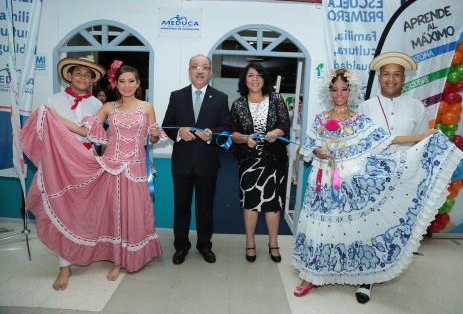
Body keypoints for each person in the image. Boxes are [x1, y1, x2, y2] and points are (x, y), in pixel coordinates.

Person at [291, 69, 463, 303]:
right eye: (335, 90)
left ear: (350, 92)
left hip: (350, 184)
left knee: (347, 229)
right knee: (318, 227)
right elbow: (308, 146)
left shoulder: (360, 120)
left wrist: (422, 136)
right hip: (322, 182)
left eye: (344, 89)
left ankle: (348, 271)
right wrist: (316, 151)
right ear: (329, 92)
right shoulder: (321, 118)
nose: (339, 94)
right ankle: (310, 276)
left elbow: (387, 140)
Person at [20, 63, 163, 290]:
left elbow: (152, 140)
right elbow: (85, 131)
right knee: (114, 215)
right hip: (111, 168)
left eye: (131, 81)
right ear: (116, 83)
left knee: (133, 214)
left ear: (138, 84)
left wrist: (154, 135)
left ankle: (128, 257)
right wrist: (54, 117)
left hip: (136, 170)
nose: (127, 86)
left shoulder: (147, 108)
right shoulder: (106, 106)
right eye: (122, 81)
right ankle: (116, 259)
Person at [356, 52, 434, 302]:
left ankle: (385, 267)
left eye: (396, 74)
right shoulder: (365, 107)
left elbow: (423, 143)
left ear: (404, 78)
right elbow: (362, 143)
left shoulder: (416, 107)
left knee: (392, 228)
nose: (391, 79)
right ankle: (365, 278)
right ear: (379, 77)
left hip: (404, 178)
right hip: (372, 177)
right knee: (370, 227)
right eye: (386, 74)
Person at [39, 57, 105, 290]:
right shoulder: (52, 101)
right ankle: (64, 267)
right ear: (68, 75)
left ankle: (87, 251)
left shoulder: (97, 105)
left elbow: (96, 136)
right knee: (62, 212)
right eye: (78, 73)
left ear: (92, 81)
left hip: (87, 163)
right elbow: (43, 132)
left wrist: (99, 156)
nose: (82, 77)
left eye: (88, 75)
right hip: (60, 165)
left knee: (85, 212)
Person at [162, 54, 230, 265]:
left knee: (205, 208)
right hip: (182, 163)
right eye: (195, 67)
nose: (200, 71)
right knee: (181, 208)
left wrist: (213, 136)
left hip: (207, 164)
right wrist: (179, 132)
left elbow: (226, 129)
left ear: (210, 72)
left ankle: (204, 245)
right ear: (189, 70)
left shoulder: (220, 98)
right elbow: (168, 125)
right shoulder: (177, 96)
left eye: (204, 67)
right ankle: (181, 246)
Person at [230, 62, 290, 263]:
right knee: (250, 204)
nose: (254, 79)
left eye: (258, 75)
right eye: (250, 76)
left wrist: (275, 133)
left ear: (264, 79)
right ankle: (250, 243)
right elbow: (233, 133)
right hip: (249, 163)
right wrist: (245, 138)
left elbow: (284, 125)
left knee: (273, 205)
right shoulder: (238, 104)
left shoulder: (276, 100)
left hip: (274, 162)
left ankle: (273, 243)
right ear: (244, 80)